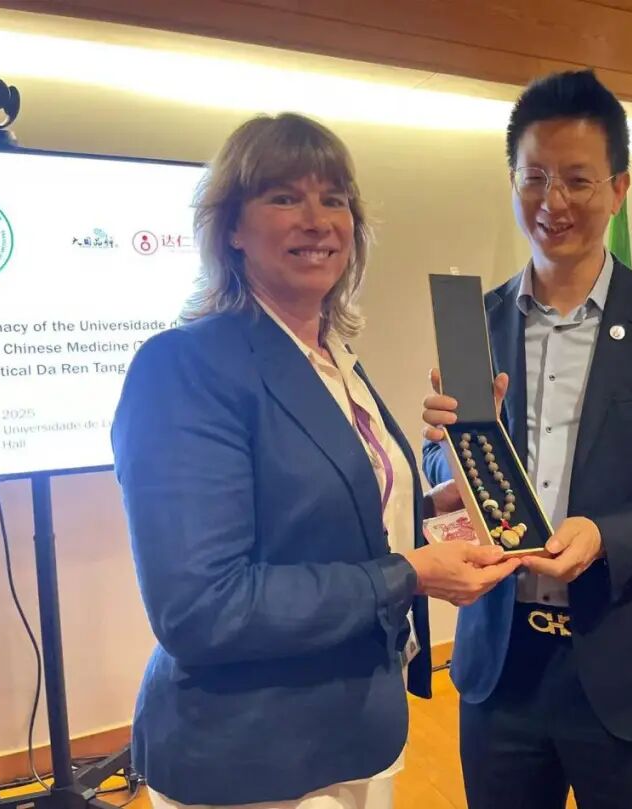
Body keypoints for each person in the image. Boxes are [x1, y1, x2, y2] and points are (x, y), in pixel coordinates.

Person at [111, 113, 519, 809]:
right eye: (284, 197)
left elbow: (323, 511)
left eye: (334, 199)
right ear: (231, 227)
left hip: (356, 730)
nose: (318, 220)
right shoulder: (183, 368)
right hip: (252, 754)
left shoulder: (334, 359)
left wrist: (435, 504)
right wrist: (411, 573)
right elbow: (202, 608)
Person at [421, 70, 632, 809]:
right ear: (513, 182)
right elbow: (448, 460)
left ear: (620, 188)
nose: (555, 202)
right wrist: (443, 457)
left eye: (577, 179)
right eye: (535, 177)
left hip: (630, 665)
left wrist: (607, 535)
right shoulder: (475, 323)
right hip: (501, 668)